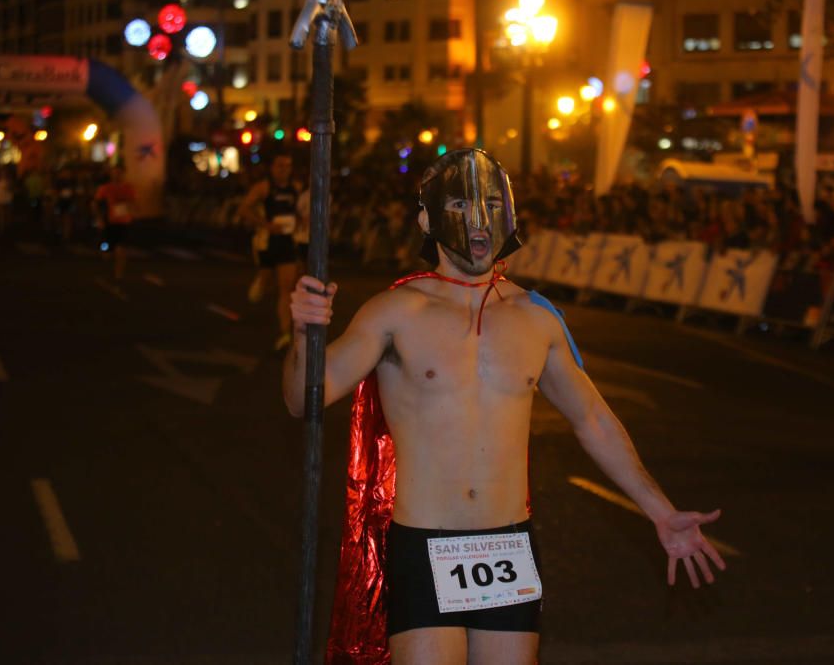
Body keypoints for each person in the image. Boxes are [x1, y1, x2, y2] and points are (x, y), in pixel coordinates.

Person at [284, 149, 725, 665]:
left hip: (506, 545)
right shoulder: (396, 312)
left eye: (492, 203)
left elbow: (592, 418)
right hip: (427, 542)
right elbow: (303, 397)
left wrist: (660, 510)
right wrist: (302, 335)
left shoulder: (536, 318)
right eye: (460, 203)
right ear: (427, 219)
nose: (479, 218)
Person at [238, 152, 301, 350]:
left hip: (286, 242)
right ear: (272, 168)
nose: (284, 170)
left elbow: (300, 210)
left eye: (288, 166)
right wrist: (265, 224)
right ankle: (262, 279)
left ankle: (285, 334)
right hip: (267, 242)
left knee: (286, 288)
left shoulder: (296, 188)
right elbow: (244, 209)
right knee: (267, 281)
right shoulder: (263, 188)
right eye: (280, 166)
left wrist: (301, 220)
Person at [92, 164, 137, 283]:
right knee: (108, 252)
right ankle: (105, 253)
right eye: (114, 173)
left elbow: (133, 203)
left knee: (121, 249)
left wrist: (132, 211)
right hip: (110, 222)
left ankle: (119, 274)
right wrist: (99, 219)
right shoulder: (105, 188)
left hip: (124, 222)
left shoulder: (128, 188)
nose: (117, 175)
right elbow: (95, 203)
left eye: (119, 173)